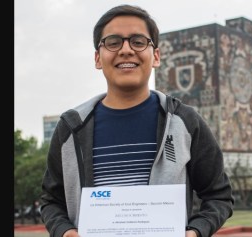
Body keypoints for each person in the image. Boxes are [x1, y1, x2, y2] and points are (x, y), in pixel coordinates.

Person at [39, 5, 234, 237]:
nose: (126, 50)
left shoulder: (185, 122)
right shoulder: (71, 127)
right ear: (97, 58)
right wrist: (65, 232)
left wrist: (195, 232)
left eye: (138, 41)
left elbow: (219, 196)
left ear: (156, 56)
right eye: (113, 42)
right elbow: (51, 201)